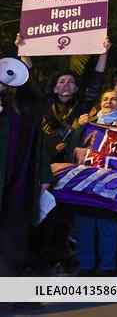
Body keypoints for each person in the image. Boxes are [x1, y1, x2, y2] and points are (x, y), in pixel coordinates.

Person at [0, 57, 52, 277]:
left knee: (14, 239)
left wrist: (43, 176)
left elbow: (38, 147)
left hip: (18, 185)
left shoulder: (26, 112)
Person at [67, 90, 117, 276]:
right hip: (85, 182)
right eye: (105, 99)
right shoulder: (87, 124)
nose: (108, 102)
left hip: (111, 182)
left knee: (108, 225)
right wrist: (78, 127)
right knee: (85, 225)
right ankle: (86, 266)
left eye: (113, 99)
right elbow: (71, 149)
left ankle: (107, 266)